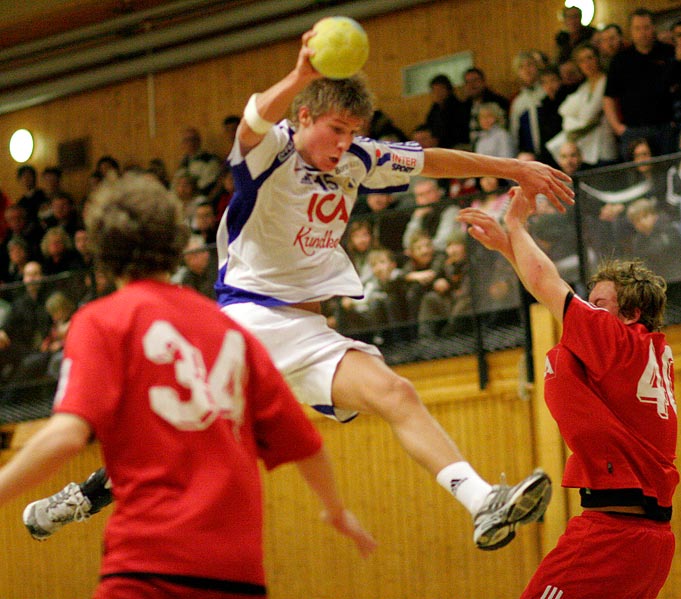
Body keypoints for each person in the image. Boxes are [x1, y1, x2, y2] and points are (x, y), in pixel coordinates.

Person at [25, 28, 574, 551]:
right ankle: (81, 498)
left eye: (353, 131)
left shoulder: (359, 158)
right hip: (249, 321)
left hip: (309, 330)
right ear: (304, 116)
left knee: (396, 394)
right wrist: (297, 74)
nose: (345, 143)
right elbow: (252, 119)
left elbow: (431, 159)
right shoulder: (272, 151)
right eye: (335, 129)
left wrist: (513, 168)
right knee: (182, 437)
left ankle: (483, 503)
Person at [9, 173, 376, 598]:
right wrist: (336, 510)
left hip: (147, 566)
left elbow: (66, 435)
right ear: (176, 241)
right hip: (237, 573)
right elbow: (304, 442)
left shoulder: (102, 319)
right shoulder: (227, 329)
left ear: (102, 249)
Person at [459, 187, 678, 599]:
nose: (587, 310)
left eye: (599, 303)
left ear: (630, 314)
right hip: (646, 541)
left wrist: (515, 223)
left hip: (610, 536)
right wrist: (510, 248)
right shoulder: (641, 350)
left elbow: (546, 281)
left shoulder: (616, 341)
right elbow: (546, 289)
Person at [603, 8, 675, 159]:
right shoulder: (621, 60)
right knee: (636, 177)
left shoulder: (668, 52)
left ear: (653, 28)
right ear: (631, 31)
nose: (642, 33)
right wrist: (618, 128)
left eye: (646, 27)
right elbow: (609, 97)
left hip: (665, 127)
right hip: (633, 130)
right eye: (637, 28)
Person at [546, 43, 619, 167]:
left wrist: (575, 121)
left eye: (590, 58)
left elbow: (588, 116)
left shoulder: (606, 81)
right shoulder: (584, 87)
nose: (587, 63)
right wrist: (574, 123)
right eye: (581, 60)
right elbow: (564, 110)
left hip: (605, 147)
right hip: (586, 150)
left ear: (597, 58)